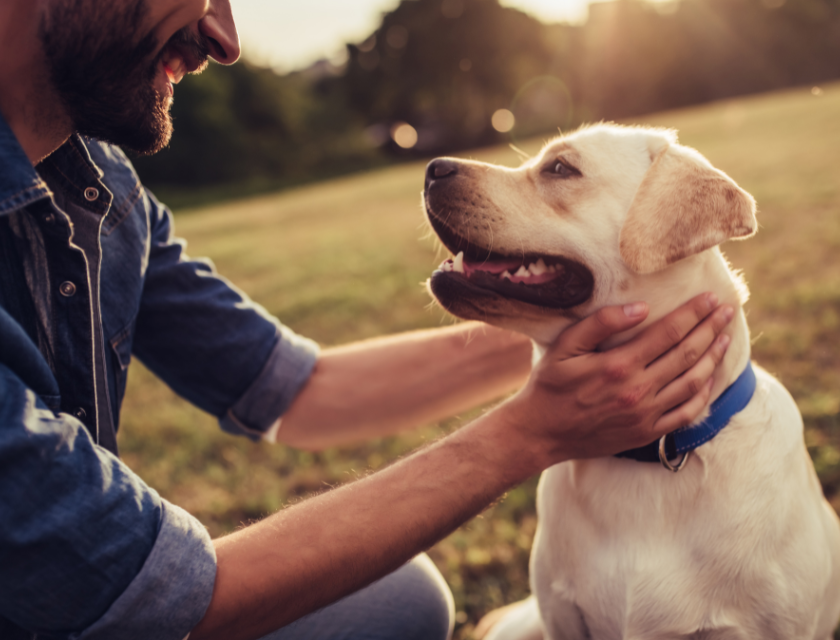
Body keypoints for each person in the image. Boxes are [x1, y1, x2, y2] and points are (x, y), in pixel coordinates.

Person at [0, 1, 734, 639]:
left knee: (398, 600)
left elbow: (299, 389)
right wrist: (532, 430)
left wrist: (597, 325)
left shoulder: (99, 190)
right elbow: (147, 599)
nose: (224, 36)